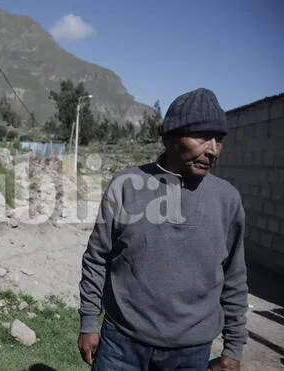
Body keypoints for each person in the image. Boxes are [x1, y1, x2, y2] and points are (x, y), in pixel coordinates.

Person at [77, 88, 248, 371]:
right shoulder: (127, 186)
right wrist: (88, 322)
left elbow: (235, 277)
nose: (213, 149)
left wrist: (233, 348)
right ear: (169, 138)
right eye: (202, 136)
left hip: (190, 353)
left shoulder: (227, 199)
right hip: (121, 343)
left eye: (219, 139)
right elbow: (96, 258)